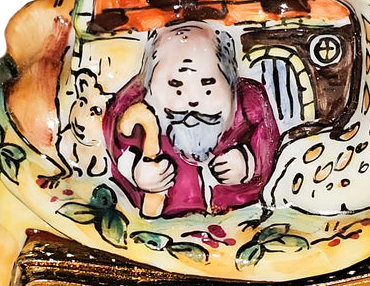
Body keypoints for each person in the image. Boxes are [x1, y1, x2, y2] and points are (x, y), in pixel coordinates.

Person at [103, 21, 279, 217]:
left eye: (208, 85)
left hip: (240, 215)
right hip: (169, 220)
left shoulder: (250, 102)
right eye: (176, 86)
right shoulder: (133, 104)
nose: (193, 101)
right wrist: (134, 170)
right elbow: (114, 137)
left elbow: (270, 143)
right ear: (150, 83)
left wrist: (249, 162)